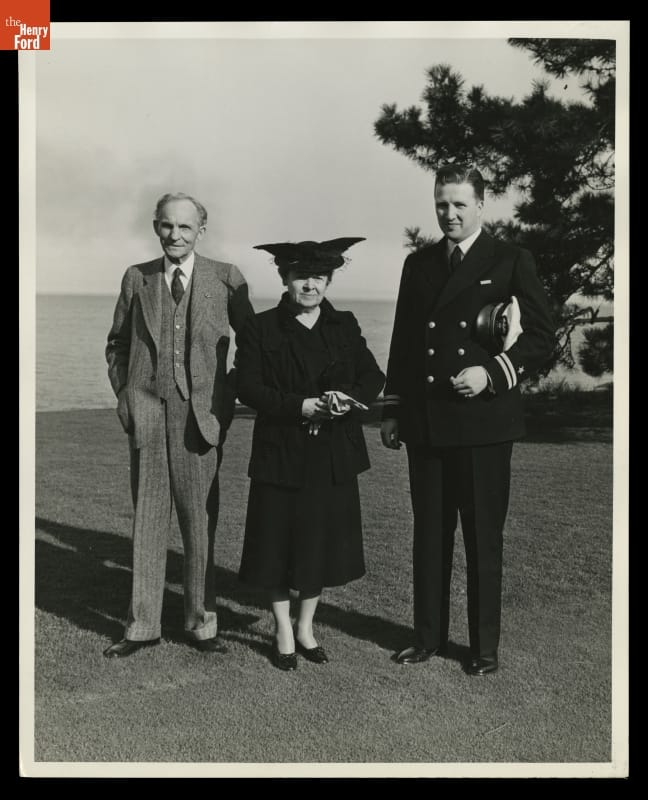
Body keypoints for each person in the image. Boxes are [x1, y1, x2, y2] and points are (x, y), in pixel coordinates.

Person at [381, 164, 556, 675]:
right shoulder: (418, 263)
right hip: (427, 422)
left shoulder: (510, 259)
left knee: (482, 538)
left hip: (484, 424)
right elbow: (404, 340)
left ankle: (483, 649)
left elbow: (541, 336)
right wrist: (393, 410)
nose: (450, 214)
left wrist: (492, 372)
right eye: (442, 204)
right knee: (429, 535)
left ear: (481, 204)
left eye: (459, 204)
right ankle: (427, 638)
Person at [103, 192, 254, 658]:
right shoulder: (137, 277)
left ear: (201, 231)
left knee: (199, 523)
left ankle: (201, 625)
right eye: (167, 225)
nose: (175, 235)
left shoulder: (226, 278)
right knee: (148, 521)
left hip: (200, 420)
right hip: (147, 415)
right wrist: (127, 396)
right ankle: (142, 626)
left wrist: (225, 399)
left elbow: (251, 346)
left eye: (185, 227)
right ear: (156, 227)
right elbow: (117, 344)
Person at [236, 237, 385, 670]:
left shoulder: (344, 324)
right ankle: (283, 629)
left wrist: (345, 402)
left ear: (329, 281)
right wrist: (299, 406)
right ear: (285, 278)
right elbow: (248, 386)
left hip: (332, 455)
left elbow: (373, 376)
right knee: (276, 544)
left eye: (318, 277)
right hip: (281, 453)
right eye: (301, 276)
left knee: (319, 544)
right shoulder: (260, 327)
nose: (310, 285)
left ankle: (305, 627)